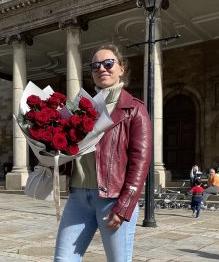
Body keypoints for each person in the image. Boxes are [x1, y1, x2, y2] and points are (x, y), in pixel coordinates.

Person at [53, 44, 152, 262]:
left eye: (108, 64)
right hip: (79, 196)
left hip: (112, 199)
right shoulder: (82, 106)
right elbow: (72, 150)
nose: (102, 69)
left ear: (121, 68)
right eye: (96, 66)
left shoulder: (134, 109)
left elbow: (140, 162)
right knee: (63, 260)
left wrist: (124, 206)